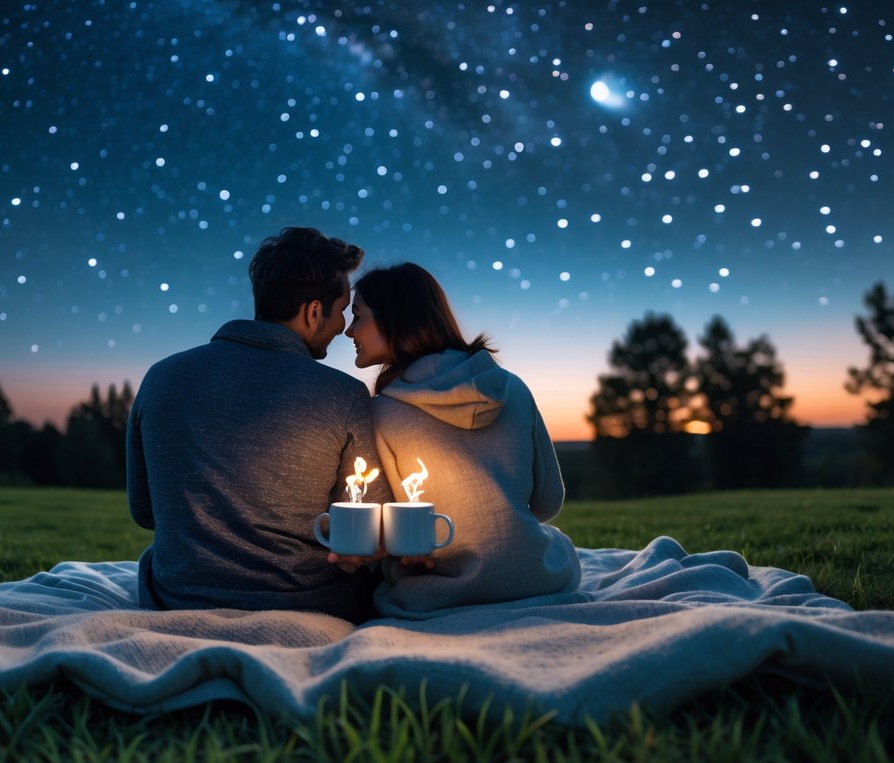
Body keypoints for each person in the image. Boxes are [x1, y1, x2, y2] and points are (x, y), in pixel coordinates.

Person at [126, 227, 391, 623]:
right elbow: (365, 522)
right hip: (311, 604)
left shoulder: (160, 377)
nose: (342, 327)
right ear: (313, 312)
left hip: (177, 599)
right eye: (340, 311)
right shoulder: (345, 395)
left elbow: (144, 512)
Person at [342, 262, 582, 618]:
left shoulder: (379, 413)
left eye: (358, 316)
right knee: (557, 541)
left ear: (394, 319)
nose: (349, 330)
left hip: (438, 592)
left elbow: (387, 530)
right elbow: (548, 501)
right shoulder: (513, 387)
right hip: (539, 578)